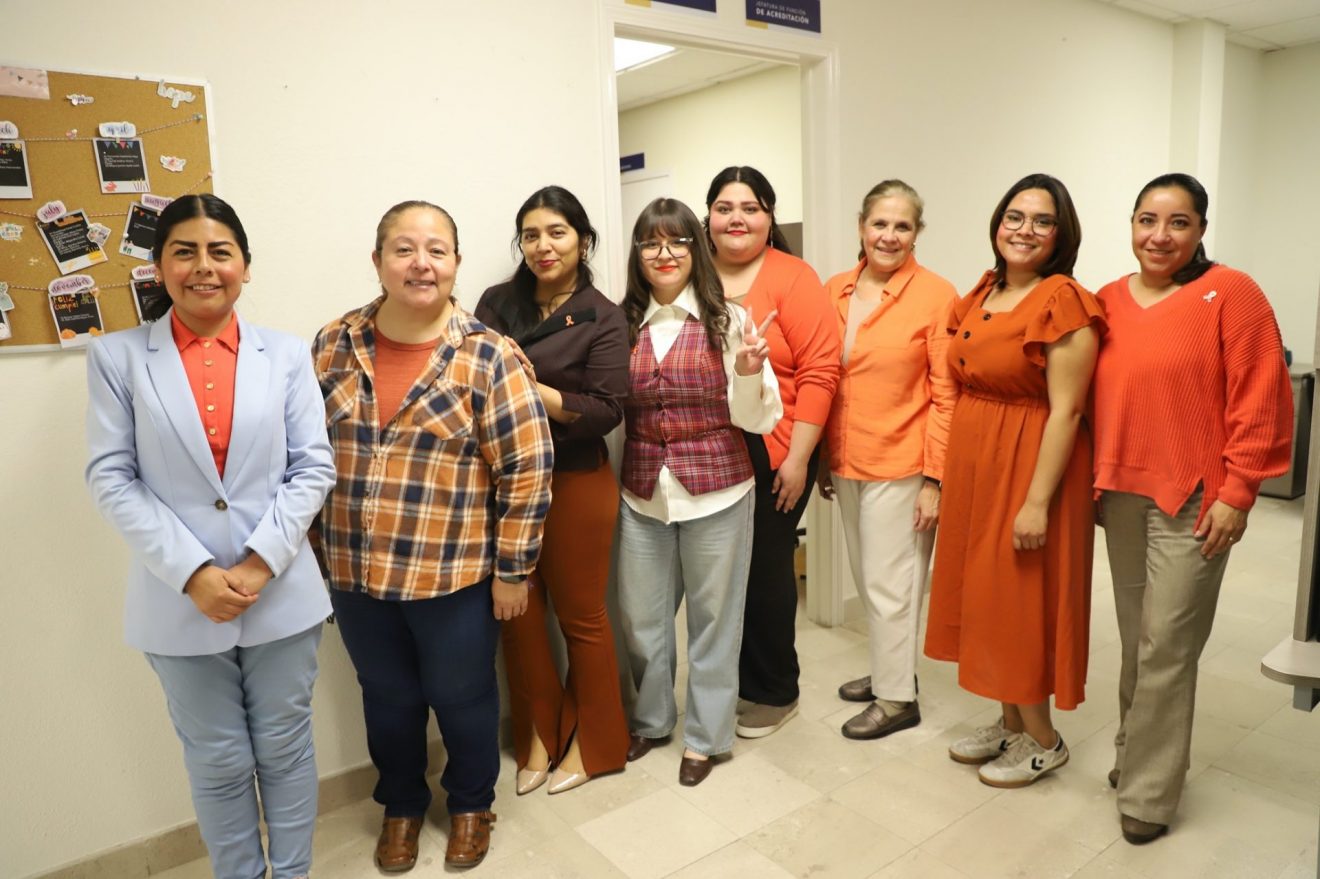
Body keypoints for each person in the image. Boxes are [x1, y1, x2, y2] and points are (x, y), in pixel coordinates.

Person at [86, 194, 335, 879]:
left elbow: (313, 466)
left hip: (280, 591)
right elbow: (111, 477)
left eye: (220, 252)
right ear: (158, 267)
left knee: (285, 746)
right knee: (218, 757)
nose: (203, 266)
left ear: (245, 266)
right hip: (178, 599)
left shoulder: (286, 354)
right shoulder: (116, 358)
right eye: (184, 252)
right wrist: (193, 572)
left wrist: (261, 561)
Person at [313, 200, 553, 870]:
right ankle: (401, 805)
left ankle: (472, 803)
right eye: (404, 249)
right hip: (356, 574)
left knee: (463, 696)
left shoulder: (488, 355)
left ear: (455, 263)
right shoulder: (332, 344)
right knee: (387, 699)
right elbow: (301, 454)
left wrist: (513, 572)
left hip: (453, 576)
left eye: (436, 250)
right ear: (378, 260)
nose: (421, 263)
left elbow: (528, 468)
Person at [1094, 173, 1292, 844]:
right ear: (1131, 225)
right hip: (1121, 495)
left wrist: (1239, 492)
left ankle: (1150, 792)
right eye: (1147, 220)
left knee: (1168, 644)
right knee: (1136, 639)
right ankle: (1134, 752)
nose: (1160, 235)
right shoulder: (1108, 299)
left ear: (1201, 229)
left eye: (1178, 222)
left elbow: (1261, 395)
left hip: (1197, 500)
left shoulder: (1231, 293)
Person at [924, 173, 1104, 788]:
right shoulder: (985, 290)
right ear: (998, 223)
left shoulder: (1064, 300)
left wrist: (1036, 503)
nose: (1025, 230)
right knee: (986, 595)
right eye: (1015, 217)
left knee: (1019, 599)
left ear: (1061, 234)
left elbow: (1068, 410)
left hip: (1031, 464)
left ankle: (1045, 739)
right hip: (980, 459)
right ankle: (1011, 724)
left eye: (1042, 220)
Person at [616, 197, 781, 786]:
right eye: (651, 243)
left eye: (678, 241)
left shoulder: (728, 320)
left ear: (696, 249)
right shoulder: (621, 324)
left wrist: (747, 372)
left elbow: (758, 420)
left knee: (714, 620)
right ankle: (652, 719)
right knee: (642, 619)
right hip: (643, 493)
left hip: (719, 492)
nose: (664, 254)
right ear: (637, 254)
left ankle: (706, 738)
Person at [475, 186, 630, 796]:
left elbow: (605, 410)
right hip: (504, 480)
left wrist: (529, 388)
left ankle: (597, 744)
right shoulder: (496, 303)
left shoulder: (603, 315)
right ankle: (539, 733)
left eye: (557, 233)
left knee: (582, 618)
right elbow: (473, 382)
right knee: (517, 615)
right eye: (531, 235)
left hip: (575, 481)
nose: (543, 246)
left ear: (583, 241)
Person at [816, 180, 958, 739]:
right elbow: (824, 377)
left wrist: (935, 480)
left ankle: (898, 700)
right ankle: (888, 672)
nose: (889, 236)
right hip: (847, 457)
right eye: (880, 223)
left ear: (917, 233)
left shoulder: (937, 296)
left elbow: (947, 395)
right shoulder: (836, 289)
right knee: (868, 576)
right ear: (861, 226)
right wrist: (824, 456)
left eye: (903, 226)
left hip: (902, 463)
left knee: (892, 584)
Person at [703, 166, 840, 739]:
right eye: (725, 207)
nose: (737, 218)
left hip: (777, 448)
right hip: (709, 450)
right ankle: (731, 682)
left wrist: (799, 459)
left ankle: (775, 691)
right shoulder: (693, 273)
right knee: (719, 575)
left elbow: (821, 371)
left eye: (751, 208)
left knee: (764, 571)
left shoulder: (794, 277)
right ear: (708, 216)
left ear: (769, 217)